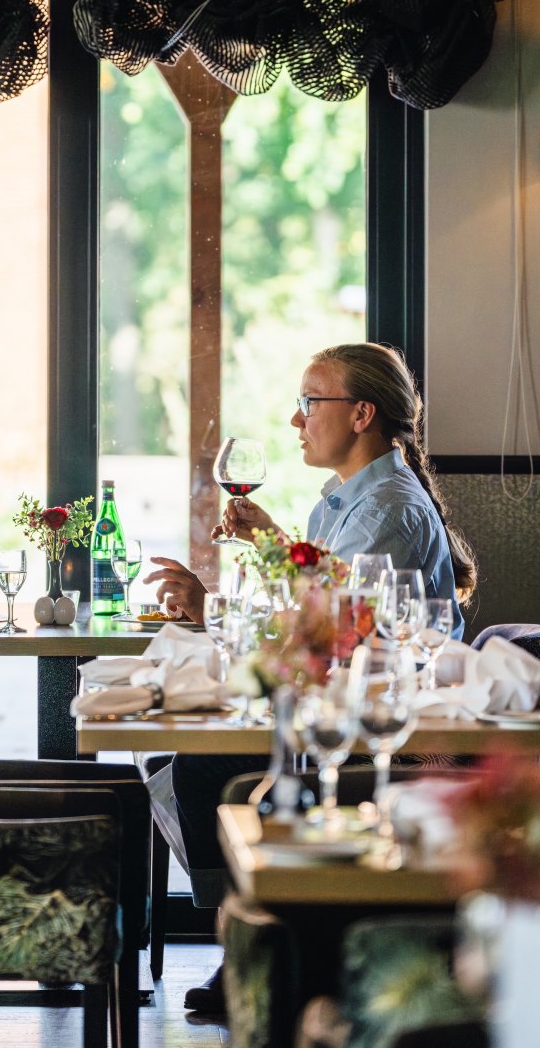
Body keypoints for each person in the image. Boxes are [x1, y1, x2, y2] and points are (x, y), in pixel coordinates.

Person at [143, 342, 477, 1014]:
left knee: (202, 768)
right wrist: (272, 540)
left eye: (308, 402)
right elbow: (318, 599)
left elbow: (331, 630)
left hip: (385, 720)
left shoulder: (387, 509)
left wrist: (213, 609)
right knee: (184, 759)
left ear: (361, 414)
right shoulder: (341, 503)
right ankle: (254, 937)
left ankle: (259, 941)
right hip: (338, 697)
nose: (296, 420)